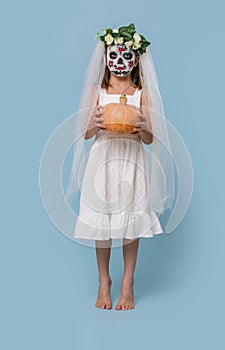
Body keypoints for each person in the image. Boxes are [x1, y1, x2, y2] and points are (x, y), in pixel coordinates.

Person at [64, 24, 176, 311]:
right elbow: (86, 134)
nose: (120, 62)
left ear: (136, 60)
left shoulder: (141, 93)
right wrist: (95, 123)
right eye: (114, 56)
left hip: (131, 161)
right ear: (106, 57)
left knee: (130, 222)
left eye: (127, 57)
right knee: (102, 223)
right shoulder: (97, 92)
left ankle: (128, 281)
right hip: (102, 160)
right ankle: (104, 281)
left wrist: (141, 129)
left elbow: (151, 139)